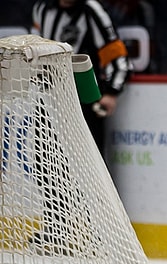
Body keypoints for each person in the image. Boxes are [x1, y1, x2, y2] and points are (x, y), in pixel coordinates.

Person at [32, 0, 131, 159]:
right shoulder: (42, 8)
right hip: (47, 99)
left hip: (83, 99)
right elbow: (34, 49)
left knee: (87, 162)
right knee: (45, 164)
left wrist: (112, 91)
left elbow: (116, 55)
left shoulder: (91, 9)